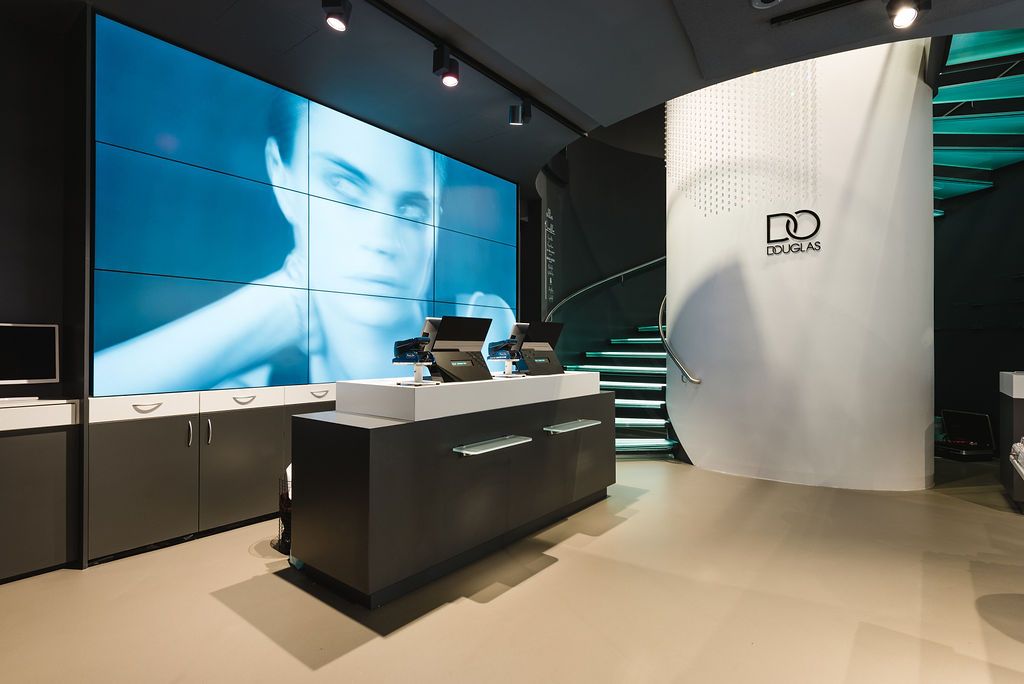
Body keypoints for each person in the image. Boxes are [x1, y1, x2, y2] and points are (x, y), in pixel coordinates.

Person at [94, 96, 513, 393]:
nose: (382, 240)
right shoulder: (252, 380)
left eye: (411, 208)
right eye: (344, 187)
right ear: (281, 173)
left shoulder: (479, 318)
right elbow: (103, 388)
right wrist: (280, 301)